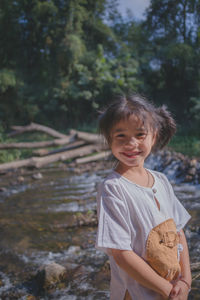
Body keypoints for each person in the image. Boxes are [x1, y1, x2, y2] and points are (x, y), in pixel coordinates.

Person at [95, 94, 192, 300]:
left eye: (140, 135)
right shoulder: (113, 188)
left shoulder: (162, 180)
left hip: (171, 289)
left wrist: (185, 280)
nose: (131, 144)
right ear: (109, 139)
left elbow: (178, 231)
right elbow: (122, 254)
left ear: (154, 136)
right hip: (137, 293)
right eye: (121, 136)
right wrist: (166, 290)